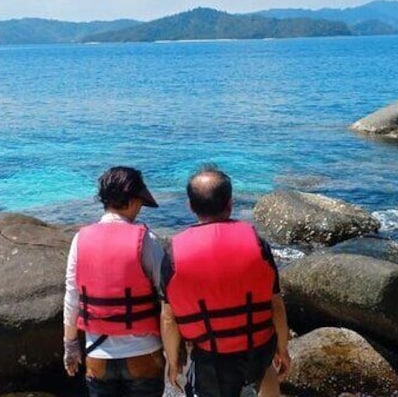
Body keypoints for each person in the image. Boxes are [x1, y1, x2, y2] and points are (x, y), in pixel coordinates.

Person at [161, 165, 291, 397]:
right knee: (264, 370)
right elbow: (276, 306)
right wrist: (283, 347)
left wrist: (173, 361)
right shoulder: (258, 244)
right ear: (230, 203)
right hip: (257, 347)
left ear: (190, 206)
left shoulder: (174, 254)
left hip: (211, 355)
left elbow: (169, 319)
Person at [63, 166, 166, 396]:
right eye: (139, 202)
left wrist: (70, 346)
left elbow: (72, 296)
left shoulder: (80, 239)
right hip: (144, 355)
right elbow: (166, 297)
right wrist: (176, 351)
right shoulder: (147, 240)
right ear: (131, 200)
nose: (140, 208)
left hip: (97, 358)